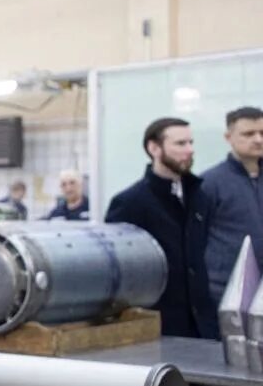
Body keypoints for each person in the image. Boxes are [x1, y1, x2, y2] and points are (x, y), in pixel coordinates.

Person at [105, 117, 217, 339]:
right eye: (180, 144)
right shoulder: (130, 203)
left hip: (202, 325)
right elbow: (119, 271)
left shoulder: (199, 196)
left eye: (191, 142)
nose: (190, 150)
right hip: (159, 326)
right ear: (154, 148)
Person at [202, 106, 263, 302]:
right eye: (248, 134)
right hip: (228, 292)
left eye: (262, 133)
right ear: (228, 137)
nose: (258, 139)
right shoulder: (209, 183)